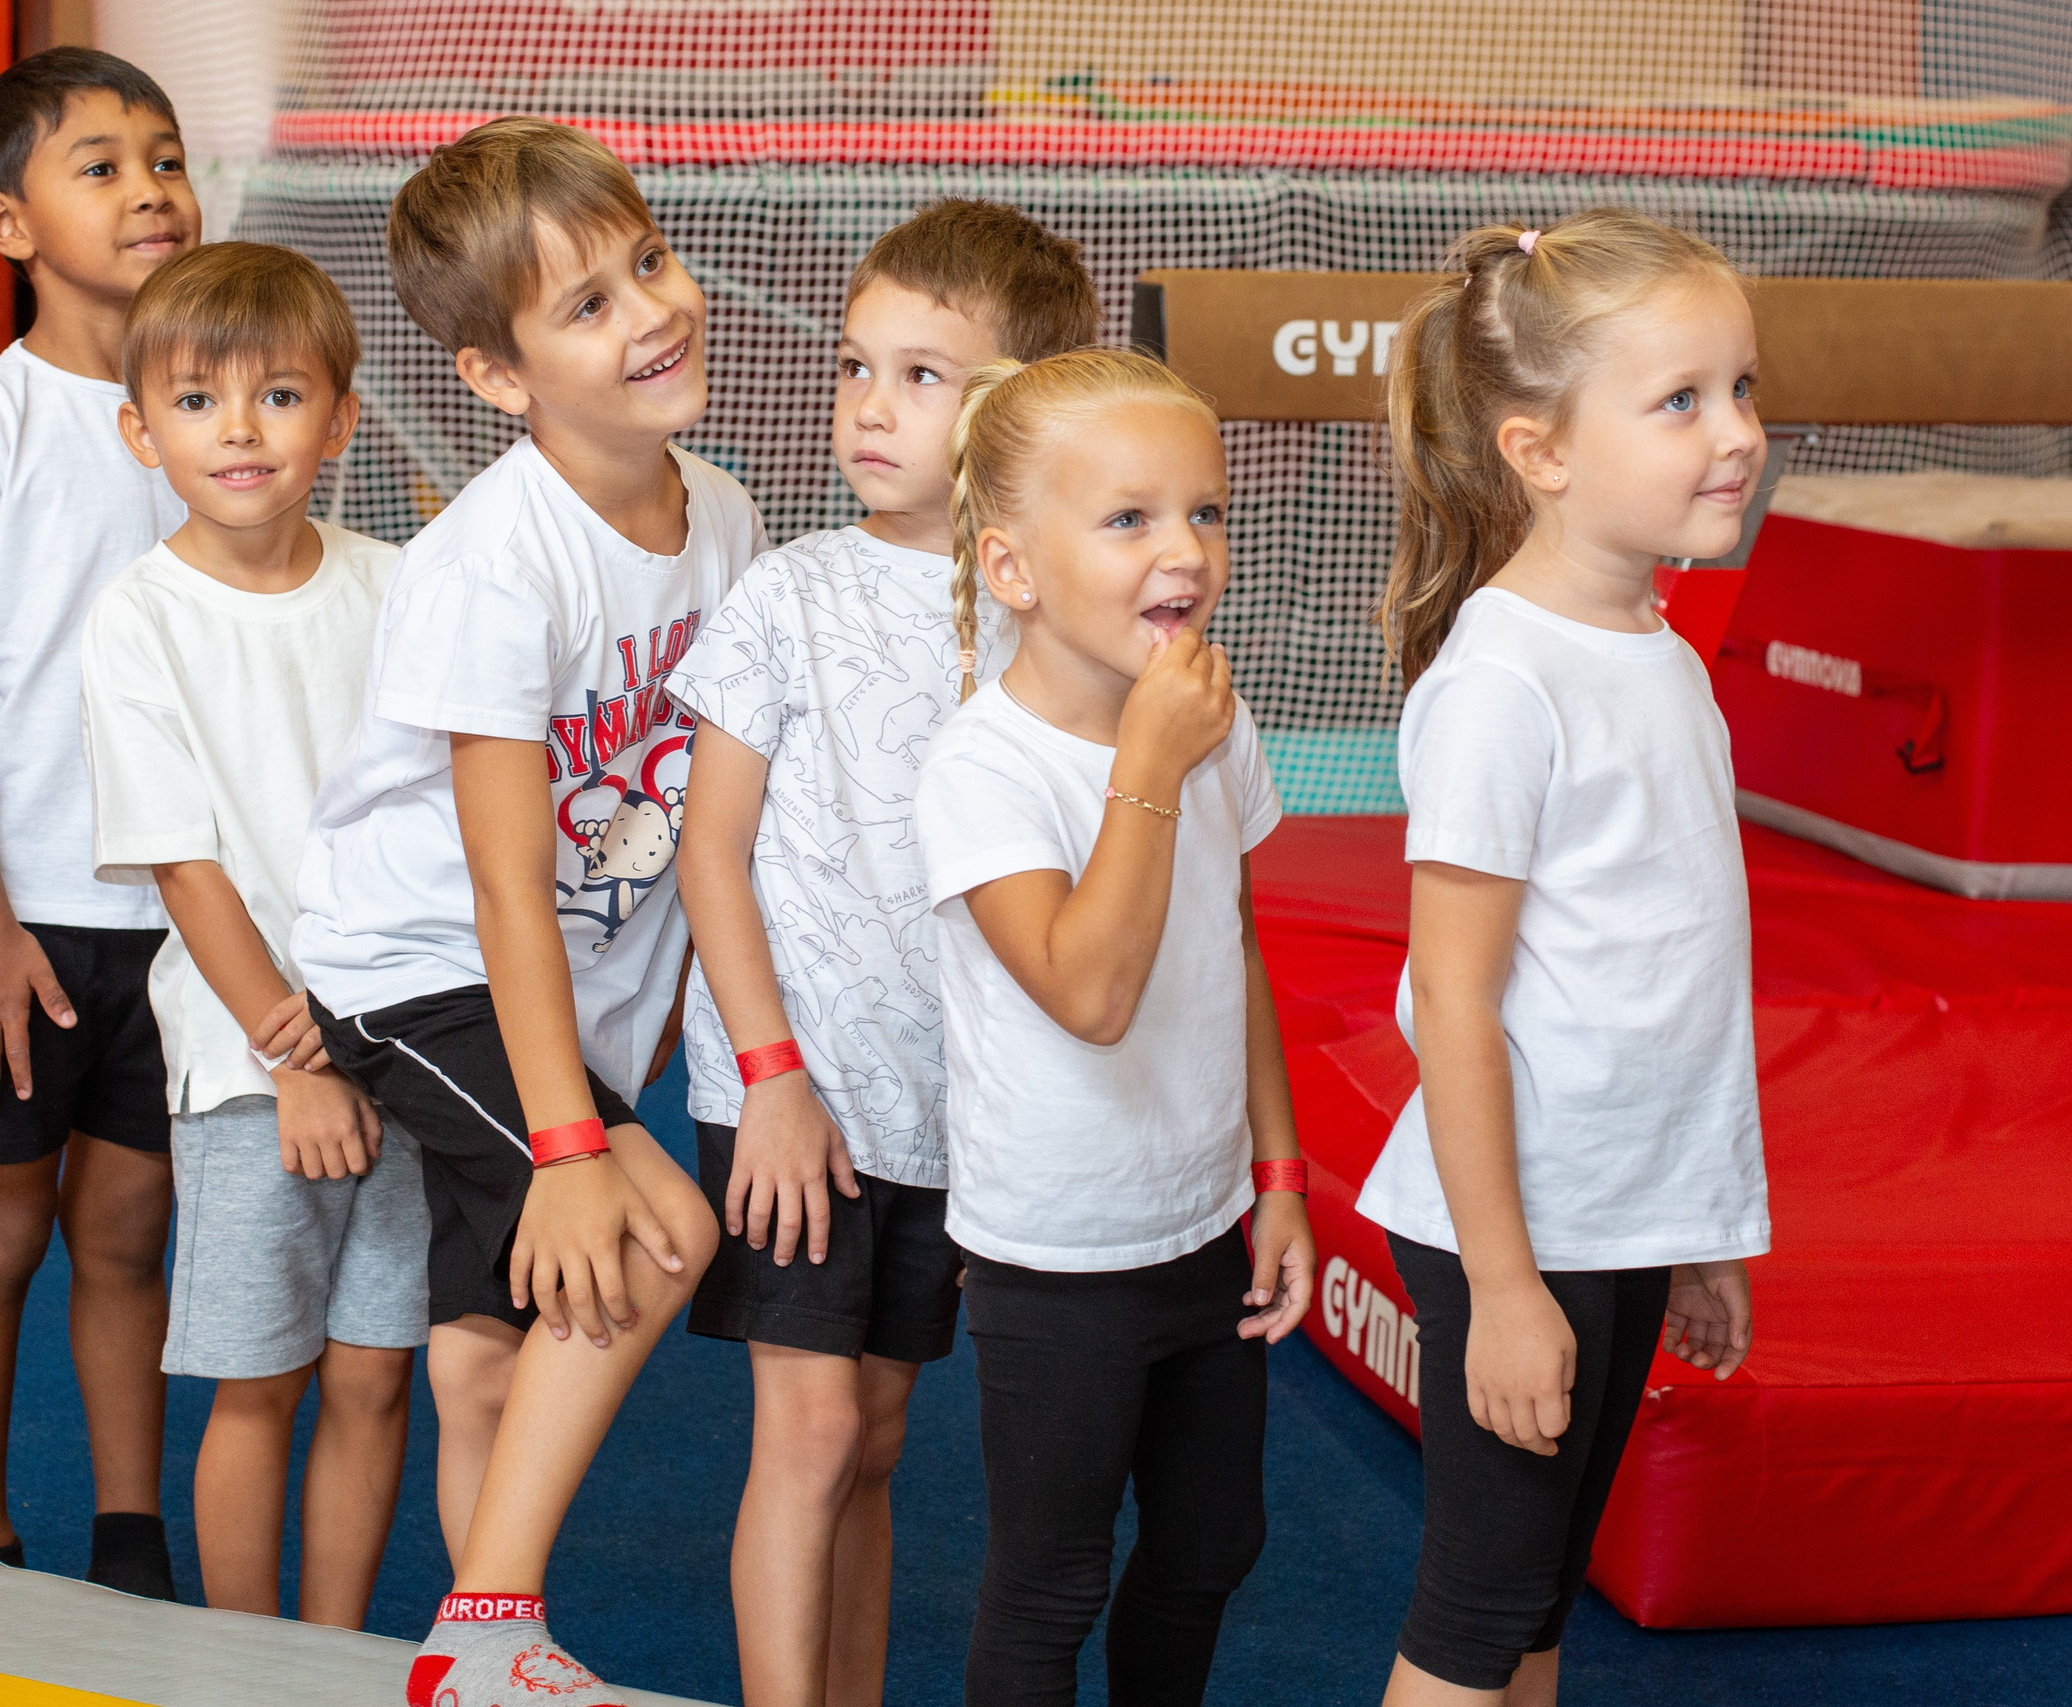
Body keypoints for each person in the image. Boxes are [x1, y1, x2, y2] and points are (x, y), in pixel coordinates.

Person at [285, 117, 764, 1700]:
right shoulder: (497, 564)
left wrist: (699, 1043)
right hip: (423, 970)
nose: (650, 313)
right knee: (651, 1234)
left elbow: (707, 814)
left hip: (574, 990)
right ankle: (478, 1635)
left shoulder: (730, 520)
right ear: (498, 376)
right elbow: (500, 878)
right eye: (588, 308)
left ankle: (496, 1652)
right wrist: (573, 1143)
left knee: (495, 1350)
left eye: (649, 264)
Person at [664, 201, 1100, 1707]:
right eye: (859, 366)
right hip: (795, 1089)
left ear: (1023, 406)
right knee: (808, 1430)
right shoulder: (790, 592)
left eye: (926, 375)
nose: (869, 404)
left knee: (881, 1434)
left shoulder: (1047, 614)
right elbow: (707, 849)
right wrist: (773, 1076)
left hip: (947, 1101)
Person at [1357, 210, 1771, 1706]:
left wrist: (1698, 1222)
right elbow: (1453, 1003)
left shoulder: (1659, 656)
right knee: (1476, 1617)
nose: (1736, 434)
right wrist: (1507, 1281)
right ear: (1540, 451)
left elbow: (1663, 982)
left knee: (1536, 1614)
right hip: (1513, 1226)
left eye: (1740, 389)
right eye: (1680, 402)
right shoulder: (1503, 680)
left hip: (1618, 1212)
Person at [912, 348, 1317, 1707]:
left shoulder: (1209, 713)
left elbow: (1233, 944)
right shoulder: (986, 767)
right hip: (1058, 1255)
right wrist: (1145, 766)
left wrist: (1277, 1176)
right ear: (1014, 568)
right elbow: (1090, 994)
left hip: (1201, 1226)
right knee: (1051, 1581)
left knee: (1213, 1545)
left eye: (1205, 512)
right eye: (1131, 518)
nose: (1185, 550)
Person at [0, 46, 197, 1598]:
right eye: (103, 164)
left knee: (131, 1235)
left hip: (181, 917)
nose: (150, 187)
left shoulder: (213, 409)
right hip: (21, 916)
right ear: (8, 225)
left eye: (165, 155)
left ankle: (130, 1541)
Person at [79, 241, 426, 1628]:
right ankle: (245, 1662)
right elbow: (187, 865)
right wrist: (297, 1058)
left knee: (374, 1373)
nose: (239, 430)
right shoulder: (141, 619)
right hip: (251, 1071)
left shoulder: (398, 584)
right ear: (141, 429)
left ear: (339, 419)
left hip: (406, 1047)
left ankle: (331, 1655)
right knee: (261, 1382)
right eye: (199, 400)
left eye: (280, 396)